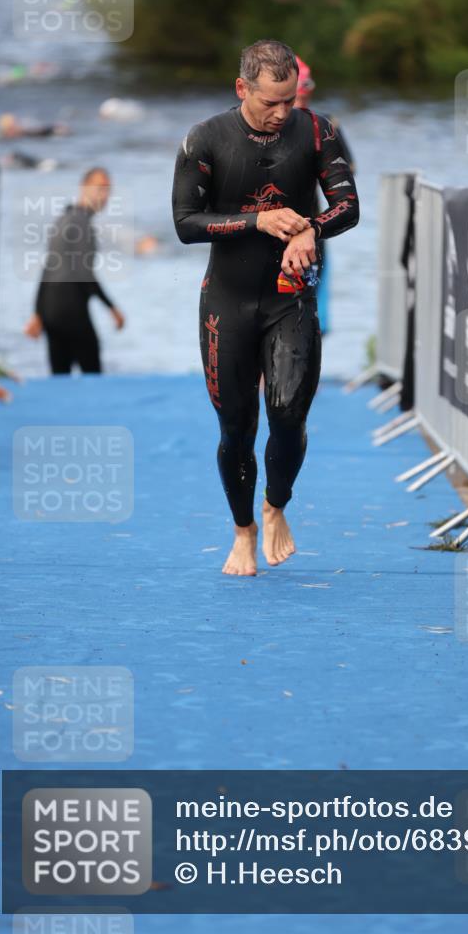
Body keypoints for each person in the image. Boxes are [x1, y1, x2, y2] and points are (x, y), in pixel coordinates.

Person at [172, 39, 359, 576]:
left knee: (288, 414)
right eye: (270, 102)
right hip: (226, 303)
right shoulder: (204, 139)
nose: (282, 113)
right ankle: (243, 531)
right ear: (242, 88)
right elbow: (186, 223)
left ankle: (276, 505)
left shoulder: (318, 129)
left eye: (290, 100)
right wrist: (258, 220)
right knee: (236, 428)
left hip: (289, 299)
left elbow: (348, 206)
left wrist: (310, 230)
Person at [24, 167, 125, 374]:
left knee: (60, 381)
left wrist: (38, 312)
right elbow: (84, 274)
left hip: (51, 311)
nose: (104, 195)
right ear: (84, 188)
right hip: (71, 309)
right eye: (99, 188)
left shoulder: (63, 219)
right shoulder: (81, 224)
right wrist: (112, 308)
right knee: (93, 377)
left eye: (108, 190)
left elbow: (47, 268)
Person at [293, 56, 356, 336]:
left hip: (311, 222)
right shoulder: (256, 125)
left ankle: (306, 369)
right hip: (267, 222)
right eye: (299, 91)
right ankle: (260, 376)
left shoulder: (325, 124)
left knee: (311, 297)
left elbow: (348, 170)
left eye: (307, 91)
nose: (303, 97)